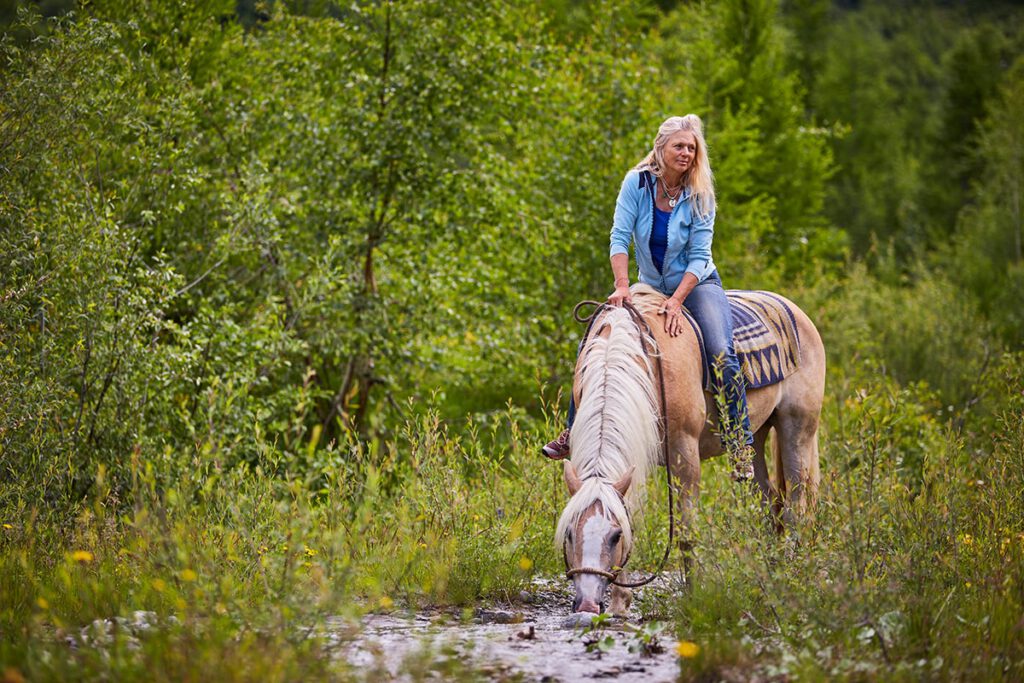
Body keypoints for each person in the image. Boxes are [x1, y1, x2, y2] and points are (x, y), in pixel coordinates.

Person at [542, 115, 755, 481]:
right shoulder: (636, 184)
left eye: (692, 147)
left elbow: (701, 256)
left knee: (721, 350)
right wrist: (622, 285)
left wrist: (676, 302)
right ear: (661, 148)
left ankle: (739, 443)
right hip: (649, 285)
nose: (686, 153)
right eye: (679, 146)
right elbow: (619, 236)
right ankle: (572, 429)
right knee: (598, 332)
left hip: (697, 283)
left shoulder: (701, 193)